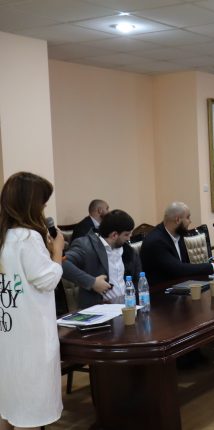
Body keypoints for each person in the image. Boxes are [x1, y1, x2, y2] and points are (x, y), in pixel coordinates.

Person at [0, 172, 65, 429]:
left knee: (10, 402)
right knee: (30, 406)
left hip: (8, 331)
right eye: (42, 203)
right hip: (32, 334)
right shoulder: (27, 237)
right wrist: (57, 252)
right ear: (30, 204)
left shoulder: (5, 236)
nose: (43, 209)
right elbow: (47, 280)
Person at [62, 209, 141, 309]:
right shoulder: (86, 246)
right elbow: (62, 264)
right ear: (114, 235)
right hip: (99, 309)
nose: (129, 238)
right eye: (126, 234)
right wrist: (92, 282)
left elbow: (138, 279)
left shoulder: (128, 250)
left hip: (128, 306)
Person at [139, 202, 214, 285]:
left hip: (179, 285)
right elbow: (179, 269)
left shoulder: (178, 234)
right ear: (177, 220)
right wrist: (213, 266)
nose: (190, 221)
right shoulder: (155, 241)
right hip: (160, 290)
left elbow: (186, 265)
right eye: (188, 217)